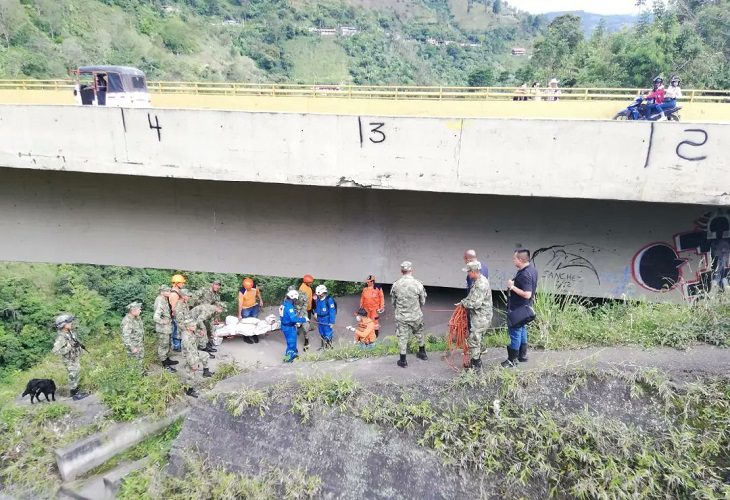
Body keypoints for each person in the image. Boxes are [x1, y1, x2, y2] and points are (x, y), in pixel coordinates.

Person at [502, 249, 539, 368]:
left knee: (515, 332)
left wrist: (512, 287)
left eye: (515, 259)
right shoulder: (531, 270)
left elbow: (527, 293)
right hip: (525, 307)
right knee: (522, 329)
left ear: (521, 260)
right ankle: (522, 356)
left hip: (519, 309)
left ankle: (512, 360)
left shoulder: (525, 274)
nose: (513, 260)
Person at [390, 261, 427, 368]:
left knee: (403, 337)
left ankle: (403, 361)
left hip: (402, 316)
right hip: (416, 315)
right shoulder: (418, 284)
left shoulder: (396, 285)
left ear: (401, 271)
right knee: (419, 333)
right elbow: (422, 302)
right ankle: (423, 354)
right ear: (411, 270)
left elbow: (393, 303)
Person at [459, 261, 493, 370]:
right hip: (481, 316)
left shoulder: (481, 284)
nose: (468, 274)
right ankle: (475, 362)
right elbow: (472, 296)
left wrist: (464, 304)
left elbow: (475, 303)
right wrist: (463, 301)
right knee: (477, 340)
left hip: (481, 317)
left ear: (474, 271)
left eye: (469, 271)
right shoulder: (478, 280)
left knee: (473, 340)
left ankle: (477, 366)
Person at [52, 313, 88, 401]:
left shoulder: (69, 332)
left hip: (74, 357)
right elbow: (55, 351)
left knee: (77, 373)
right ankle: (74, 394)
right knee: (73, 375)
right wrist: (69, 347)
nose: (71, 323)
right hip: (69, 360)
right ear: (63, 325)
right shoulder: (61, 337)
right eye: (69, 322)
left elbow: (74, 342)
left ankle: (76, 390)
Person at [153, 285, 178, 372]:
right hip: (163, 329)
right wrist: (162, 321)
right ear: (162, 291)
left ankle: (167, 360)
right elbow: (156, 317)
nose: (169, 292)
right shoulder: (159, 300)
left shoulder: (164, 299)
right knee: (163, 346)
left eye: (169, 291)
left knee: (167, 344)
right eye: (167, 291)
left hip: (167, 328)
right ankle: (165, 365)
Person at [280, 289, 308, 363]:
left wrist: (295, 322)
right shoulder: (289, 307)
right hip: (289, 328)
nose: (296, 300)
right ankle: (288, 359)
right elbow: (293, 318)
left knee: (292, 342)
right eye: (295, 299)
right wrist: (303, 319)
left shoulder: (283, 304)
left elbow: (285, 317)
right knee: (291, 344)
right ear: (293, 298)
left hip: (285, 326)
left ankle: (294, 355)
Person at [194, 280, 222, 351]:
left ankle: (207, 343)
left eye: (218, 285)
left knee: (209, 329)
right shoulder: (204, 289)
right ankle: (203, 347)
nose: (217, 286)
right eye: (216, 284)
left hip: (209, 315)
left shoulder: (217, 294)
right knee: (202, 330)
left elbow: (217, 306)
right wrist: (202, 305)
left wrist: (216, 317)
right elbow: (194, 297)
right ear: (212, 284)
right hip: (201, 314)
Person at [180, 318, 206, 398]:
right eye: (192, 326)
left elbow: (195, 337)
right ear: (188, 327)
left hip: (194, 353)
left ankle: (190, 387)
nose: (195, 327)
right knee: (191, 373)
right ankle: (189, 390)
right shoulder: (185, 338)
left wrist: (200, 334)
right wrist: (193, 363)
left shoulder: (190, 332)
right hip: (190, 356)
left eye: (195, 325)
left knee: (205, 356)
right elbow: (188, 352)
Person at [238, 278, 264, 344]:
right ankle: (246, 337)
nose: (249, 289)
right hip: (245, 308)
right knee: (246, 323)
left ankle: (254, 334)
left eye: (249, 287)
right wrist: (239, 314)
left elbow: (258, 293)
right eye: (247, 288)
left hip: (254, 306)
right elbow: (240, 303)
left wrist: (261, 300)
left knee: (254, 321)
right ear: (244, 286)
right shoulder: (242, 291)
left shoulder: (255, 287)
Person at [121, 301, 145, 366]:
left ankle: (141, 372)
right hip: (134, 346)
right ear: (133, 310)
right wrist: (132, 348)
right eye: (139, 309)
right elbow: (125, 336)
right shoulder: (127, 321)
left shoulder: (136, 318)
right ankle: (135, 375)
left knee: (140, 359)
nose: (140, 311)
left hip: (139, 344)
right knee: (133, 362)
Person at [314, 285, 337, 350]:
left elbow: (332, 311)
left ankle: (329, 347)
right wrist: (316, 312)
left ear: (323, 292)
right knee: (321, 332)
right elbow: (317, 307)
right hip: (319, 319)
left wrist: (332, 322)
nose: (318, 295)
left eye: (319, 294)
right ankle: (322, 346)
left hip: (326, 319)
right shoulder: (318, 299)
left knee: (328, 333)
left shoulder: (329, 300)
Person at [168, 274, 187, 351]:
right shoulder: (174, 294)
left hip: (180, 315)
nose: (183, 284)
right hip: (176, 315)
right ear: (177, 283)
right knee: (176, 331)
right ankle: (176, 347)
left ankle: (178, 346)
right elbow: (173, 308)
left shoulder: (178, 292)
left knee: (179, 331)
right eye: (182, 282)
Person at [297, 275, 315, 349]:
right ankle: (306, 341)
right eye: (310, 282)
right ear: (306, 282)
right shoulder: (302, 289)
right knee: (305, 324)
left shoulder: (308, 287)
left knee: (306, 322)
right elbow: (301, 302)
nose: (311, 283)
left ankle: (301, 328)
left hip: (308, 308)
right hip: (305, 310)